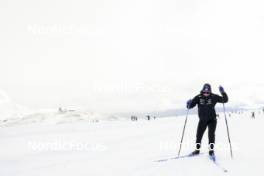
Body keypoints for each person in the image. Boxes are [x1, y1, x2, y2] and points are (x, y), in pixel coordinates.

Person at [186, 83, 228, 157]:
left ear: (210, 91)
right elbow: (190, 106)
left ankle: (211, 151)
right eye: (204, 92)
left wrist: (223, 92)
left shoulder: (214, 97)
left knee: (211, 135)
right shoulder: (198, 97)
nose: (206, 93)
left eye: (208, 92)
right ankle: (197, 150)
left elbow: (225, 100)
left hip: (212, 120)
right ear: (202, 91)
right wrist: (188, 104)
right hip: (202, 120)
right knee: (199, 135)